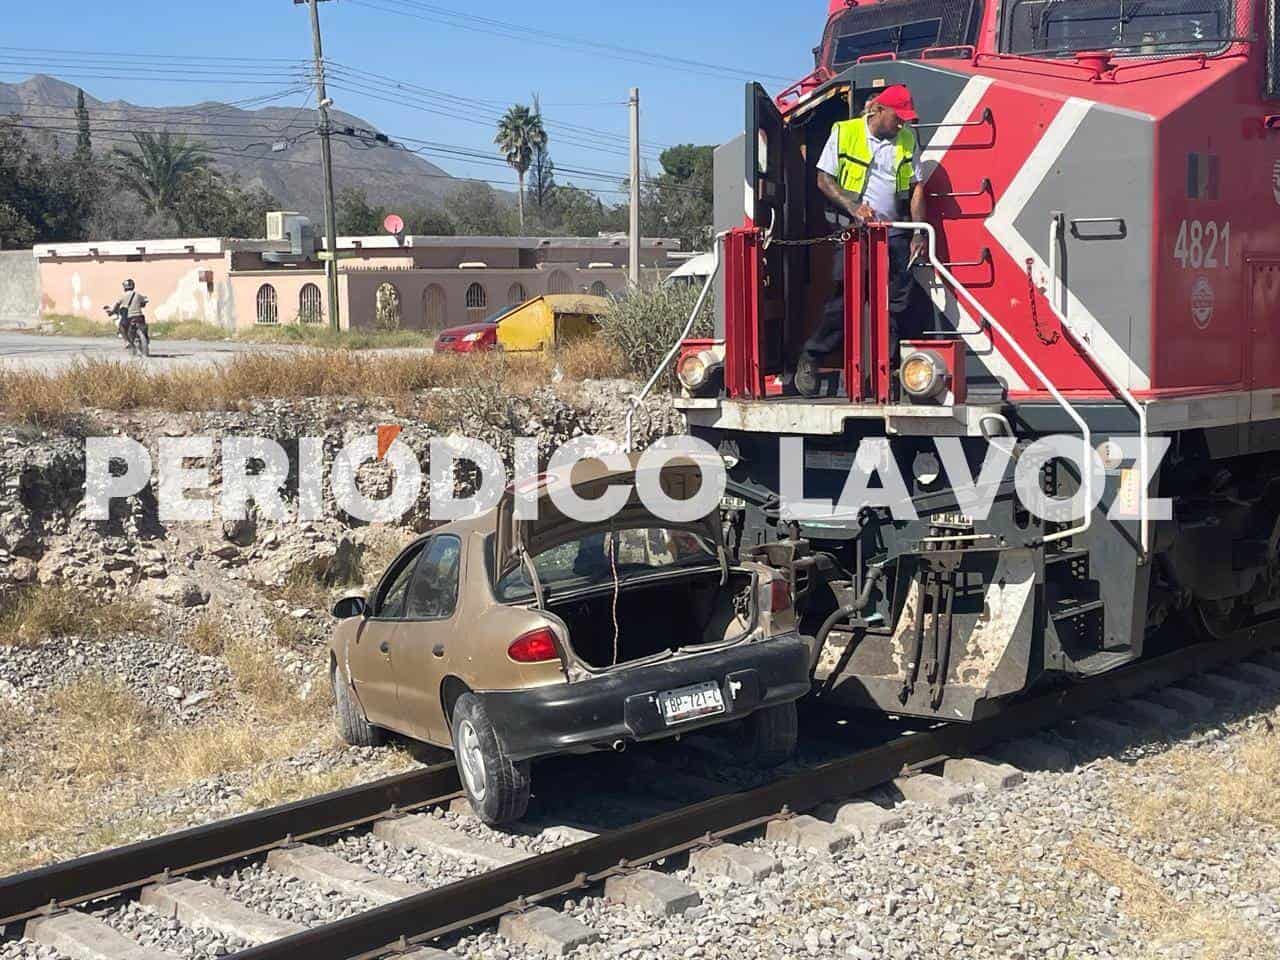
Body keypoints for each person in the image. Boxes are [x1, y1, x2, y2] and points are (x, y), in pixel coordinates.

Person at [795, 84, 930, 399]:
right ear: (880, 111)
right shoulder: (844, 132)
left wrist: (919, 231)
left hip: (893, 231)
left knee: (898, 303)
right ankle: (811, 358)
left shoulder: (907, 139)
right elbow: (823, 180)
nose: (902, 124)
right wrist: (853, 207)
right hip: (854, 232)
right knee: (844, 301)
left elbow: (917, 188)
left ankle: (893, 372)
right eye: (899, 118)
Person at [108, 279, 149, 346]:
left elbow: (116, 306)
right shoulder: (138, 295)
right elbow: (143, 304)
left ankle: (126, 341)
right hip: (139, 317)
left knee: (121, 326)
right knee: (144, 326)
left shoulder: (122, 296)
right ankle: (146, 339)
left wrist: (112, 312)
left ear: (124, 287)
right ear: (133, 286)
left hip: (129, 317)